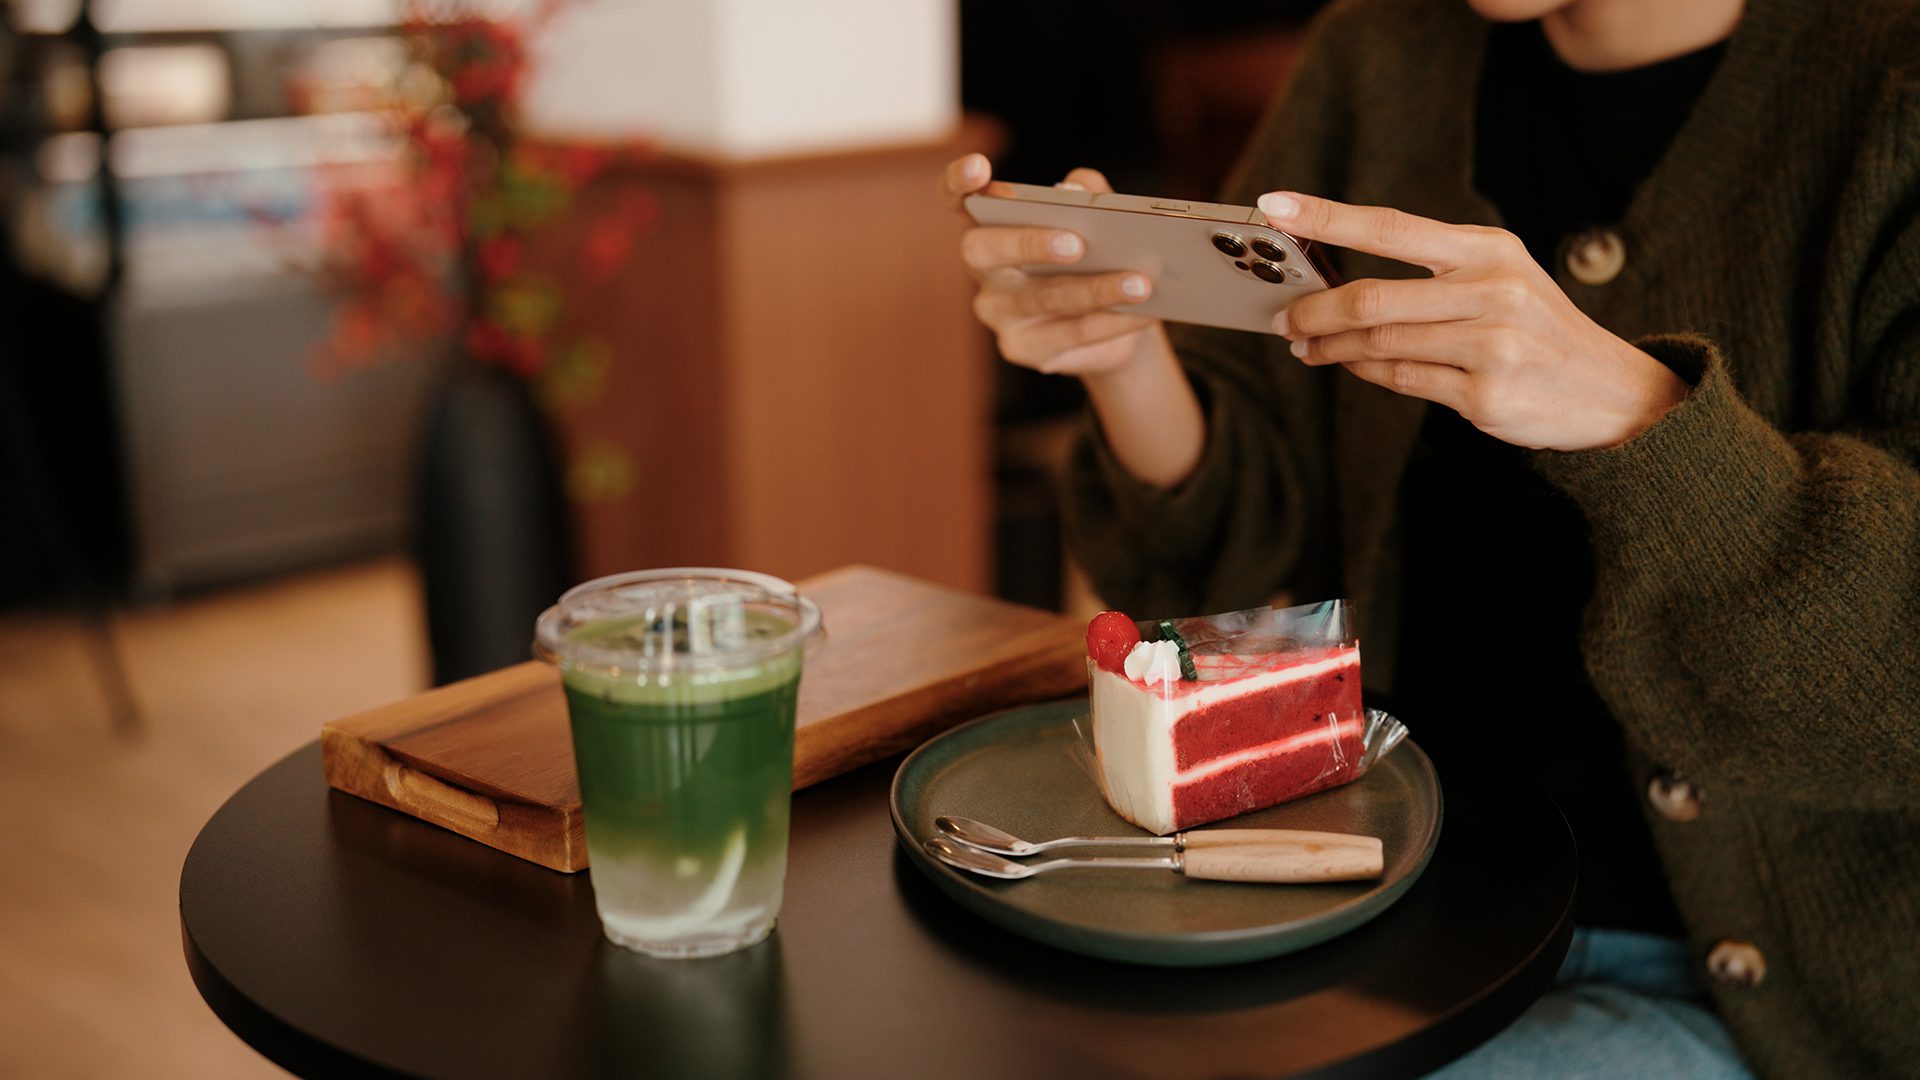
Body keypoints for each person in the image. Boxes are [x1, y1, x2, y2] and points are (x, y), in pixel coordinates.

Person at [944, 0, 1920, 1076]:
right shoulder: (1380, 53)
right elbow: (1256, 607)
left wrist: (1637, 419)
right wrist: (1126, 361)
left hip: (1742, 999)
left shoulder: (1887, 84)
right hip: (1359, 908)